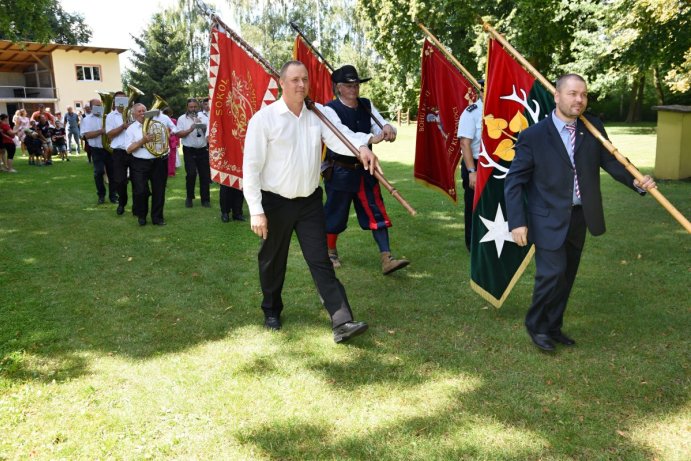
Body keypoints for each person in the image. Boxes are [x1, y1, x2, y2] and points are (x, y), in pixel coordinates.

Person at [504, 73, 656, 352]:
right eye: (573, 94)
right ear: (557, 96)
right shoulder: (533, 136)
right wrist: (517, 222)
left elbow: (612, 161)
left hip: (579, 215)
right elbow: (514, 181)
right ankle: (536, 325)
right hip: (546, 217)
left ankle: (553, 326)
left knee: (567, 275)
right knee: (551, 273)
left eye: (583, 94)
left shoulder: (592, 128)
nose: (579, 100)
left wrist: (636, 181)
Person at [243, 60, 383, 343]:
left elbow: (340, 137)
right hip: (275, 203)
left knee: (320, 261)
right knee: (272, 260)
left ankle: (342, 320)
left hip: (309, 203)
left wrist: (362, 147)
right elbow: (251, 167)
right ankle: (271, 309)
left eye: (304, 79)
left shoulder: (317, 115)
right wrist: (256, 210)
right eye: (294, 80)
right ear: (282, 83)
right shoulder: (264, 119)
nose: (301, 85)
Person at [322, 65, 409, 275]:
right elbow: (344, 135)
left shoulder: (366, 105)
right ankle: (330, 252)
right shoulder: (329, 110)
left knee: (375, 208)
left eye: (356, 85)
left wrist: (388, 129)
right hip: (340, 171)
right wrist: (371, 138)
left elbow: (379, 125)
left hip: (366, 170)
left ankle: (387, 257)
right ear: (339, 88)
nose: (354, 89)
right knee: (336, 214)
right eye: (349, 85)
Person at [126, 103, 176, 226]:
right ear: (133, 114)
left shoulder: (157, 125)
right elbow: (128, 149)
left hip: (158, 161)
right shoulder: (131, 129)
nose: (143, 113)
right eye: (139, 111)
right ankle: (142, 216)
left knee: (159, 190)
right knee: (140, 191)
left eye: (144, 110)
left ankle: (157, 218)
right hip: (139, 163)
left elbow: (165, 141)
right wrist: (143, 140)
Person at [457, 80, 484, 251]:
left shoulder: (500, 110)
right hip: (475, 164)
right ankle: (472, 243)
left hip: (494, 165)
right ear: (480, 91)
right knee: (473, 205)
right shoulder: (471, 112)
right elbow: (464, 144)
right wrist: (472, 171)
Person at [81, 98, 117, 204]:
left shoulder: (108, 117)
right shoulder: (86, 119)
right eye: (96, 106)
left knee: (112, 173)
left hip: (109, 149)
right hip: (96, 150)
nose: (99, 108)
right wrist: (101, 131)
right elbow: (87, 135)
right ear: (91, 108)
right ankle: (101, 195)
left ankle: (113, 196)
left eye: (100, 105)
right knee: (99, 172)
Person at [176, 98, 211, 207]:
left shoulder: (204, 118)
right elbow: (179, 134)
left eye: (195, 107)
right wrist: (190, 129)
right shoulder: (182, 118)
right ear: (187, 107)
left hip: (202, 149)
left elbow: (210, 134)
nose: (193, 109)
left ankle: (205, 200)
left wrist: (203, 128)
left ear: (198, 107)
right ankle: (189, 197)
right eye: (191, 107)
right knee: (191, 174)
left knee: (205, 175)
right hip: (189, 150)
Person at [106, 91, 133, 215]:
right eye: (118, 100)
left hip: (133, 150)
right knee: (119, 181)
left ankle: (137, 206)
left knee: (138, 180)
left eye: (123, 99)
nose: (121, 102)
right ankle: (122, 202)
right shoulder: (111, 116)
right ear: (115, 102)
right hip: (118, 152)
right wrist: (123, 126)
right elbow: (110, 134)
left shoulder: (132, 113)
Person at [163, 107, 178, 176]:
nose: (167, 116)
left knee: (172, 157)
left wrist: (177, 142)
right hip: (165, 140)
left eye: (168, 114)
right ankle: (165, 171)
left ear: (171, 114)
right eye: (166, 114)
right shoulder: (162, 120)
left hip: (172, 140)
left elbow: (177, 131)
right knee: (165, 157)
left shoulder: (174, 121)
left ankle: (171, 172)